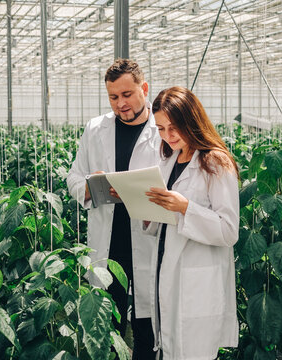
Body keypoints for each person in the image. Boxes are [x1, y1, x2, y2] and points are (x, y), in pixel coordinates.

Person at [67, 58, 160, 358]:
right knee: (108, 320)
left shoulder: (162, 130)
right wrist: (91, 188)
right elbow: (73, 176)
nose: (121, 103)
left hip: (149, 237)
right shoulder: (96, 129)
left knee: (148, 322)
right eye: (113, 97)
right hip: (110, 241)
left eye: (127, 94)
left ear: (144, 89)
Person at [144, 86, 239, 359]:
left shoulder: (216, 163)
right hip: (168, 266)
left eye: (174, 128)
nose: (167, 136)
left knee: (193, 350)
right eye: (161, 129)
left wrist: (186, 208)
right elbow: (168, 219)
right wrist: (152, 212)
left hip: (198, 279)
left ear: (191, 121)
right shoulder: (169, 159)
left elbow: (229, 230)